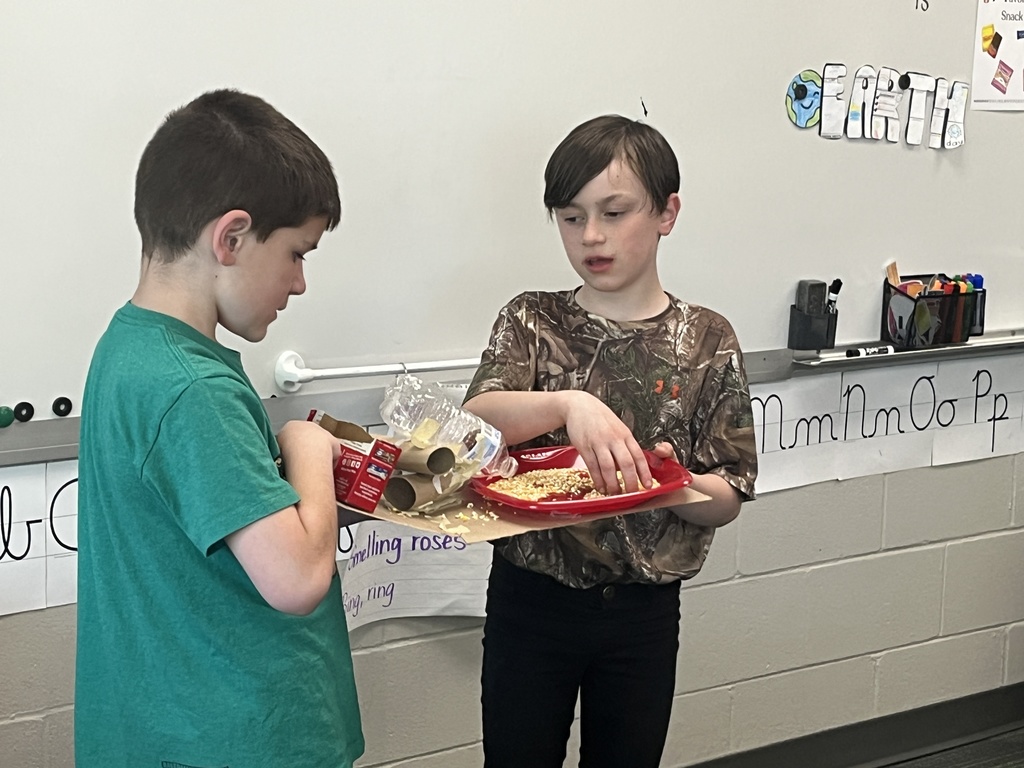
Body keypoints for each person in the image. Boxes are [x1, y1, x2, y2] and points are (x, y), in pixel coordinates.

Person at [74, 89, 363, 767]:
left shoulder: (129, 347)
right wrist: (305, 447)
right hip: (234, 739)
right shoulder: (194, 387)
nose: (298, 283)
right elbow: (295, 580)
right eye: (297, 253)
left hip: (164, 729)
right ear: (231, 238)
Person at [463, 114, 758, 768]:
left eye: (613, 212)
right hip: (530, 603)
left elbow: (727, 496)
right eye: (570, 218)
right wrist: (569, 403)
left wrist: (672, 485)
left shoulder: (708, 341)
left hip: (642, 615)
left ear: (666, 212)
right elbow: (479, 418)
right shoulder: (533, 319)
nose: (590, 236)